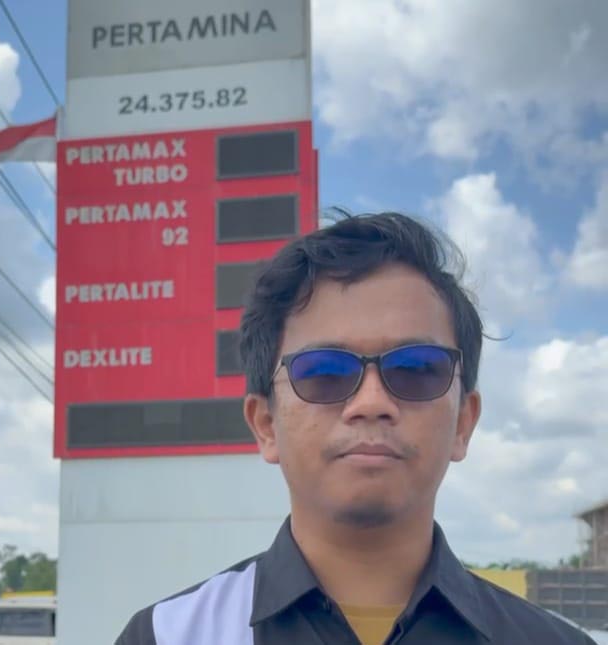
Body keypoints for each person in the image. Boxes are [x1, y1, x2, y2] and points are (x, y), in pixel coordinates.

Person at [115, 213, 595, 644]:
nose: (371, 403)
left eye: (417, 368)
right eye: (324, 371)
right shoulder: (166, 636)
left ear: (463, 423)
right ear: (265, 425)